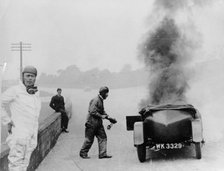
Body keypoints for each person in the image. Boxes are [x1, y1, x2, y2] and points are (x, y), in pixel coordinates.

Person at [1, 66, 41, 171]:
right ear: (22, 77)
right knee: (15, 165)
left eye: (32, 76)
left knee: (24, 165)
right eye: (27, 76)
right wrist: (7, 121)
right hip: (18, 136)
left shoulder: (36, 93)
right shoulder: (15, 90)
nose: (30, 79)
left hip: (31, 137)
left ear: (35, 78)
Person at [79, 86, 112, 159]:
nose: (107, 95)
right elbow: (92, 111)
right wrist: (101, 116)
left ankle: (102, 154)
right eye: (106, 93)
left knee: (103, 137)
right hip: (91, 123)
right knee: (89, 139)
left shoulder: (100, 100)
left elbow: (102, 111)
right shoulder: (96, 100)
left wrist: (108, 117)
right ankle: (83, 153)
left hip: (98, 123)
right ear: (103, 93)